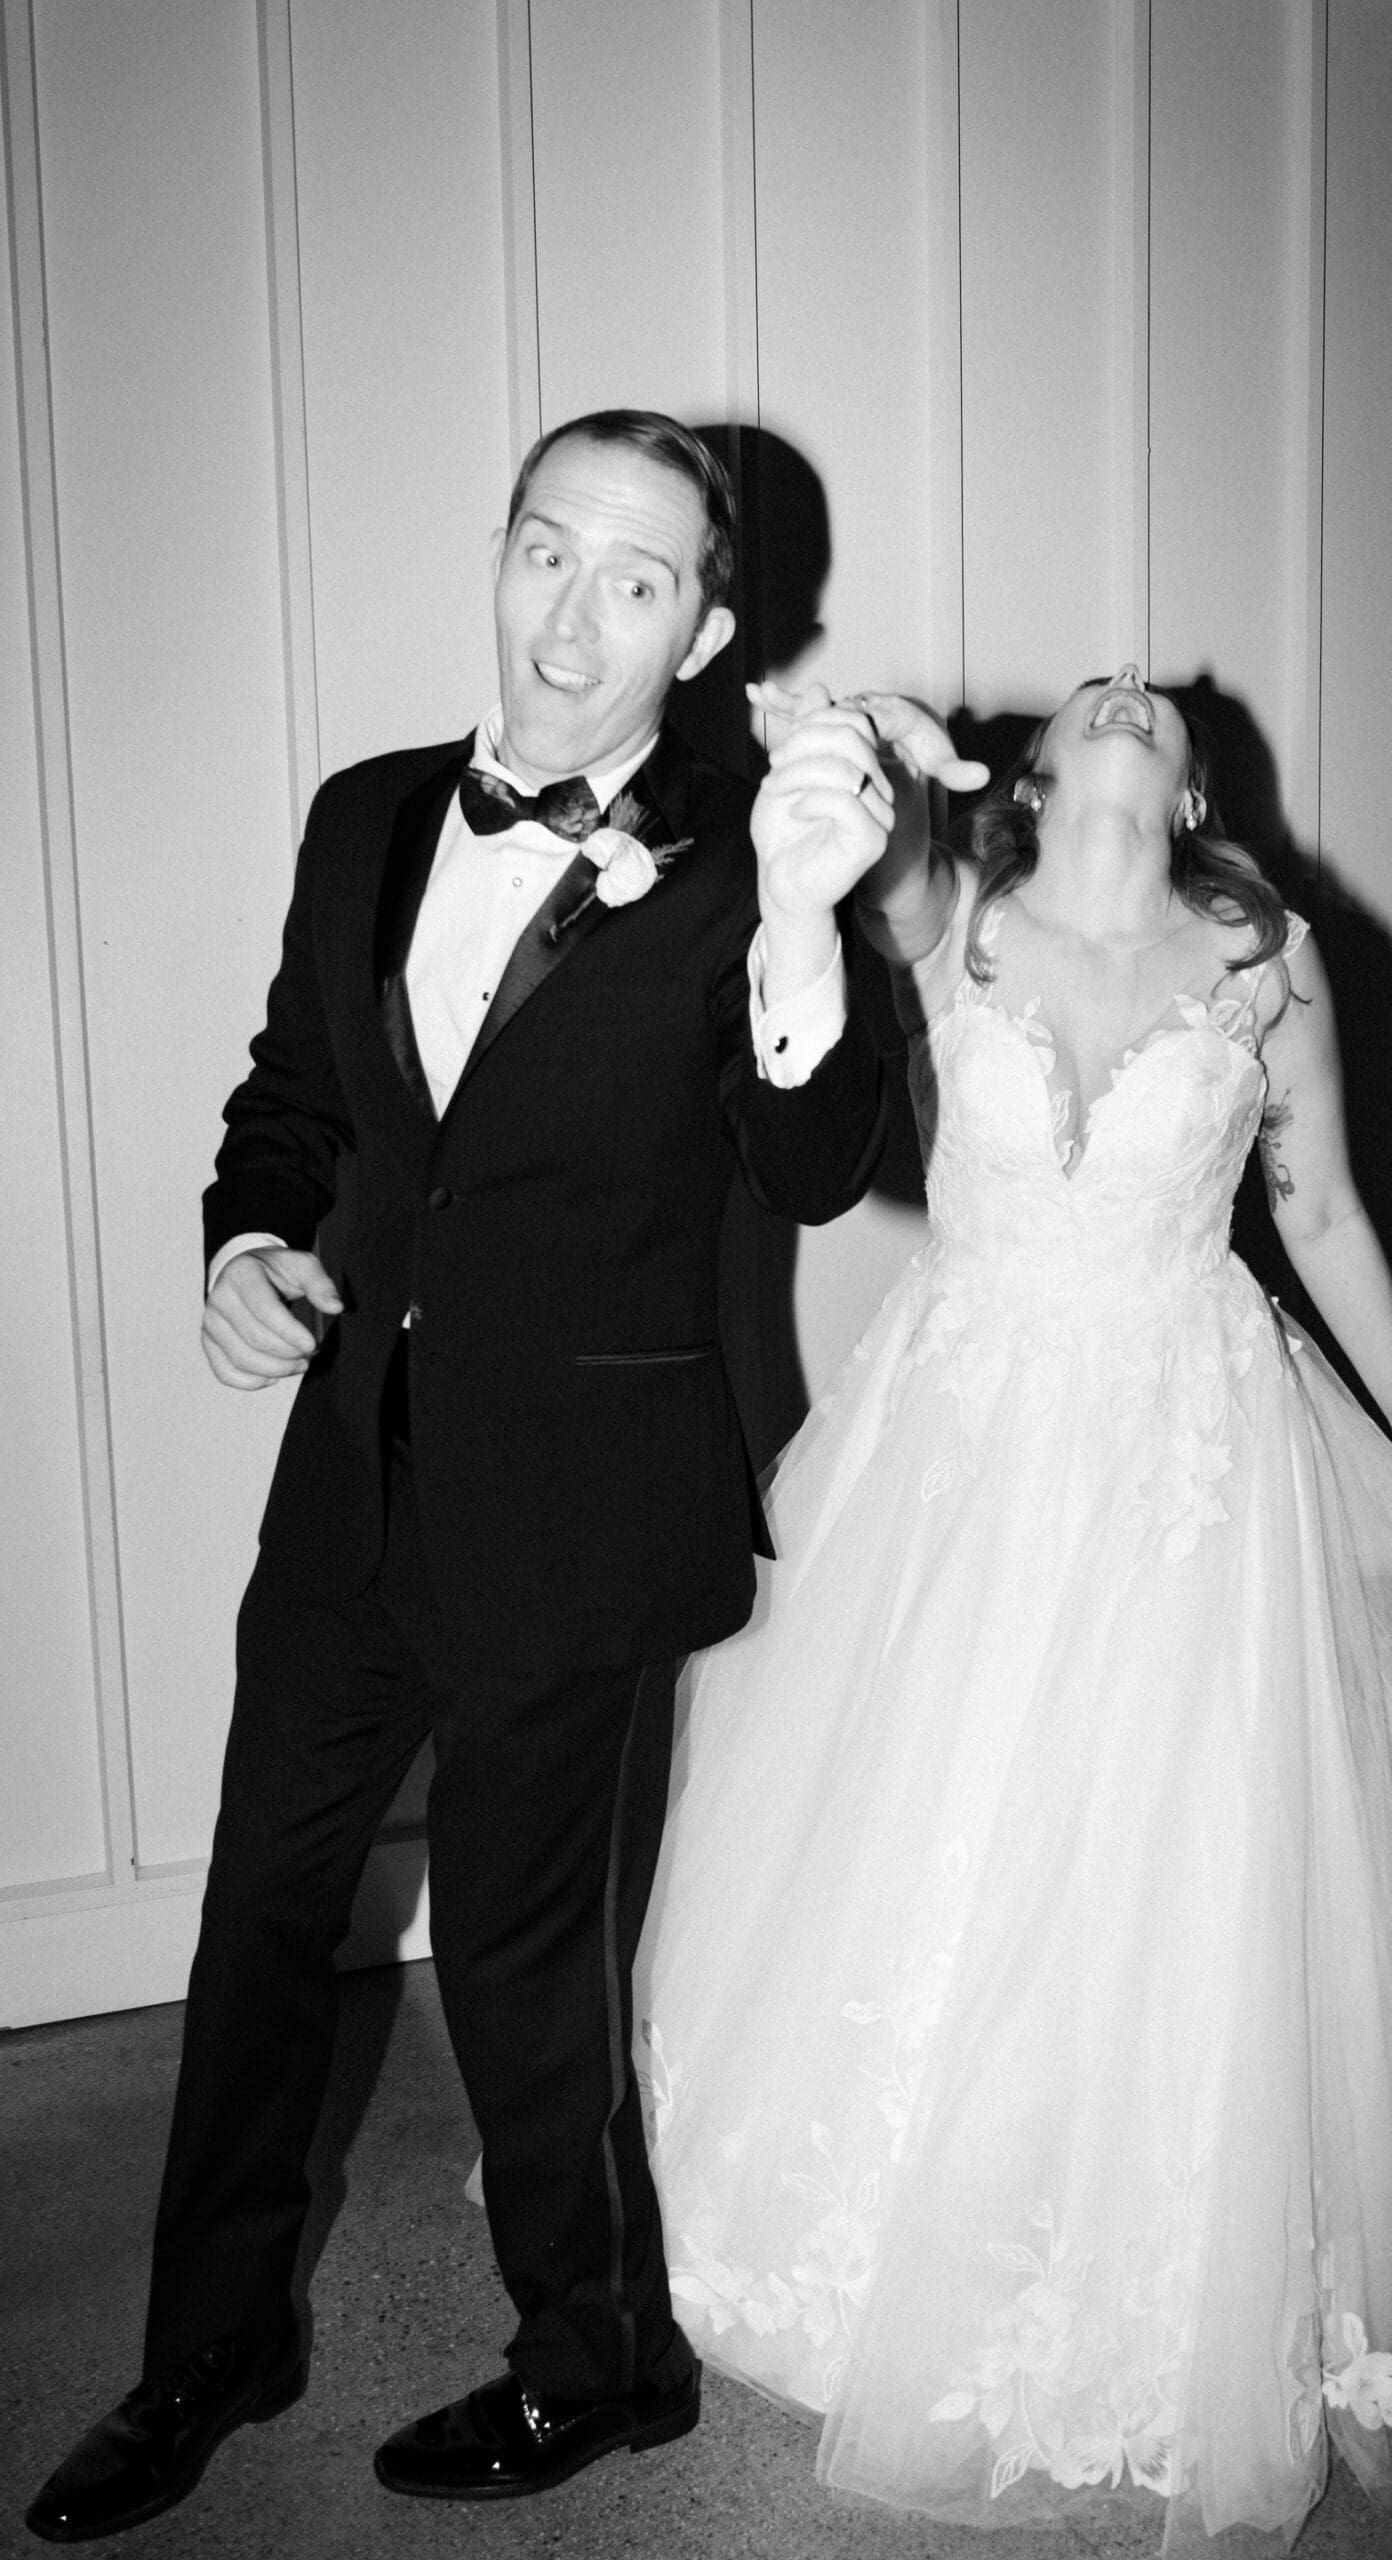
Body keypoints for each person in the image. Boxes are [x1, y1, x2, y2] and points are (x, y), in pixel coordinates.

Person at [24, 411, 952, 2542]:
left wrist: (815, 923)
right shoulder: (365, 816)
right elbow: (295, 1097)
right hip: (351, 1483)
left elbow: (820, 1166)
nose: (569, 608)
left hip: (586, 1494)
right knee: (259, 1910)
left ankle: (596, 2358)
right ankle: (209, 2338)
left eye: (632, 578)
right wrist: (250, 1239)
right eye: (544, 548)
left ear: (704, 629)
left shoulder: (753, 854)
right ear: (501, 552)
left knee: (531, 1961)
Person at [634, 670, 1392, 2549]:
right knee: (931, 1813)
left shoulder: (1271, 957)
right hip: (956, 1430)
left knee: (1167, 1852)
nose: (1128, 683)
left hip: (1184, 1448)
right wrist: (846, 740)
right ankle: (891, 2223)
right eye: (1098, 693)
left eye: (1164, 701)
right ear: (1041, 774)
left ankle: (1139, 2247)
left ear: (1194, 780)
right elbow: (799, 869)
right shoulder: (945, 900)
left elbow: (1340, 1218)